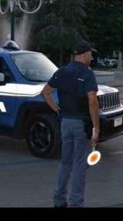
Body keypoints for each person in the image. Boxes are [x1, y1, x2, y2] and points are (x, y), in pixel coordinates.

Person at [41, 40, 100, 208]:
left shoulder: (62, 71)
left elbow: (45, 92)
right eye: (90, 53)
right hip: (81, 123)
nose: (92, 56)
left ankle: (59, 200)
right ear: (85, 54)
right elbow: (92, 101)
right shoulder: (87, 73)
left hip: (65, 122)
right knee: (80, 164)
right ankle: (76, 203)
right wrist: (96, 128)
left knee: (65, 162)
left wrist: (57, 110)